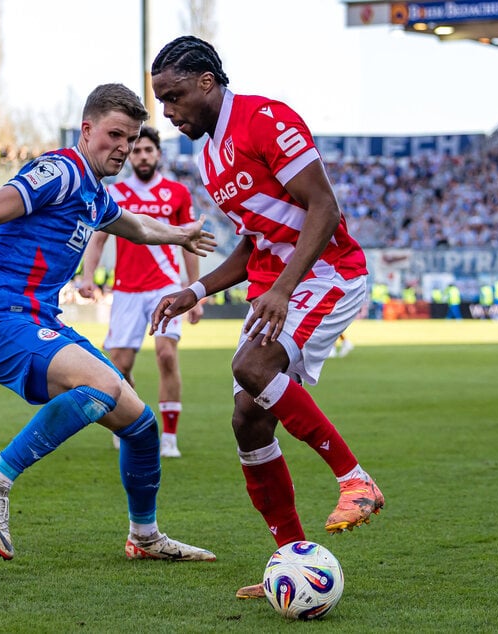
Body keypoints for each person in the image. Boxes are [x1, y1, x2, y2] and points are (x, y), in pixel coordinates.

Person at [0, 83, 217, 563]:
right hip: (2, 320)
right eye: (115, 134)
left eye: (131, 138)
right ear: (87, 129)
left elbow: (134, 226)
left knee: (139, 424)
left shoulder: (95, 193)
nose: (123, 147)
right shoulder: (60, 172)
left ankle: (145, 536)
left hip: (38, 320)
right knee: (102, 387)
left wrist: (179, 234)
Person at [149, 36, 384, 600]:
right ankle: (295, 560)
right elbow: (253, 244)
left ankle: (356, 480)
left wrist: (279, 289)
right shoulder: (209, 155)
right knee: (247, 421)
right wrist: (196, 288)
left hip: (327, 275)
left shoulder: (265, 119)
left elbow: (325, 209)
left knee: (252, 366)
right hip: (281, 285)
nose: (168, 112)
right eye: (161, 101)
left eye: (174, 96)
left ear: (207, 81)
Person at [79, 125, 203, 458]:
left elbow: (189, 245)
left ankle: (170, 437)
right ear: (129, 155)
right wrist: (88, 275)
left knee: (166, 354)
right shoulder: (115, 193)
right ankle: (127, 422)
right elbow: (99, 238)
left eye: (148, 150)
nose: (143, 156)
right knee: (118, 365)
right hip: (127, 291)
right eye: (137, 150)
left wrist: (195, 292)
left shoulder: (177, 193)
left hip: (166, 287)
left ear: (158, 154)